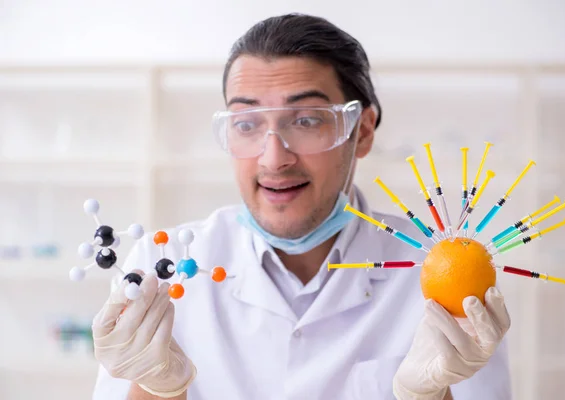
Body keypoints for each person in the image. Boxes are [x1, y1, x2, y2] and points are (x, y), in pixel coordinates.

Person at [91, 13, 511, 400]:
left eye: (306, 120)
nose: (274, 159)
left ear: (361, 131)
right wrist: (160, 390)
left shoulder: (444, 274)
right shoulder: (160, 267)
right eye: (246, 123)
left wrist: (426, 396)